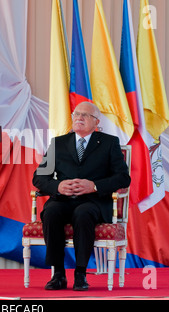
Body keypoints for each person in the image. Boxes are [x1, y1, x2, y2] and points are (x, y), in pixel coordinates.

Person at [32, 101, 131, 291]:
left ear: (96, 122)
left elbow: (123, 178)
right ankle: (58, 274)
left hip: (93, 202)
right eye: (76, 114)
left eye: (85, 115)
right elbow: (39, 177)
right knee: (51, 211)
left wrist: (94, 186)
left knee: (83, 213)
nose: (79, 118)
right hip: (62, 200)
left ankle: (80, 273)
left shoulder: (109, 143)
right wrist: (58, 186)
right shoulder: (58, 143)